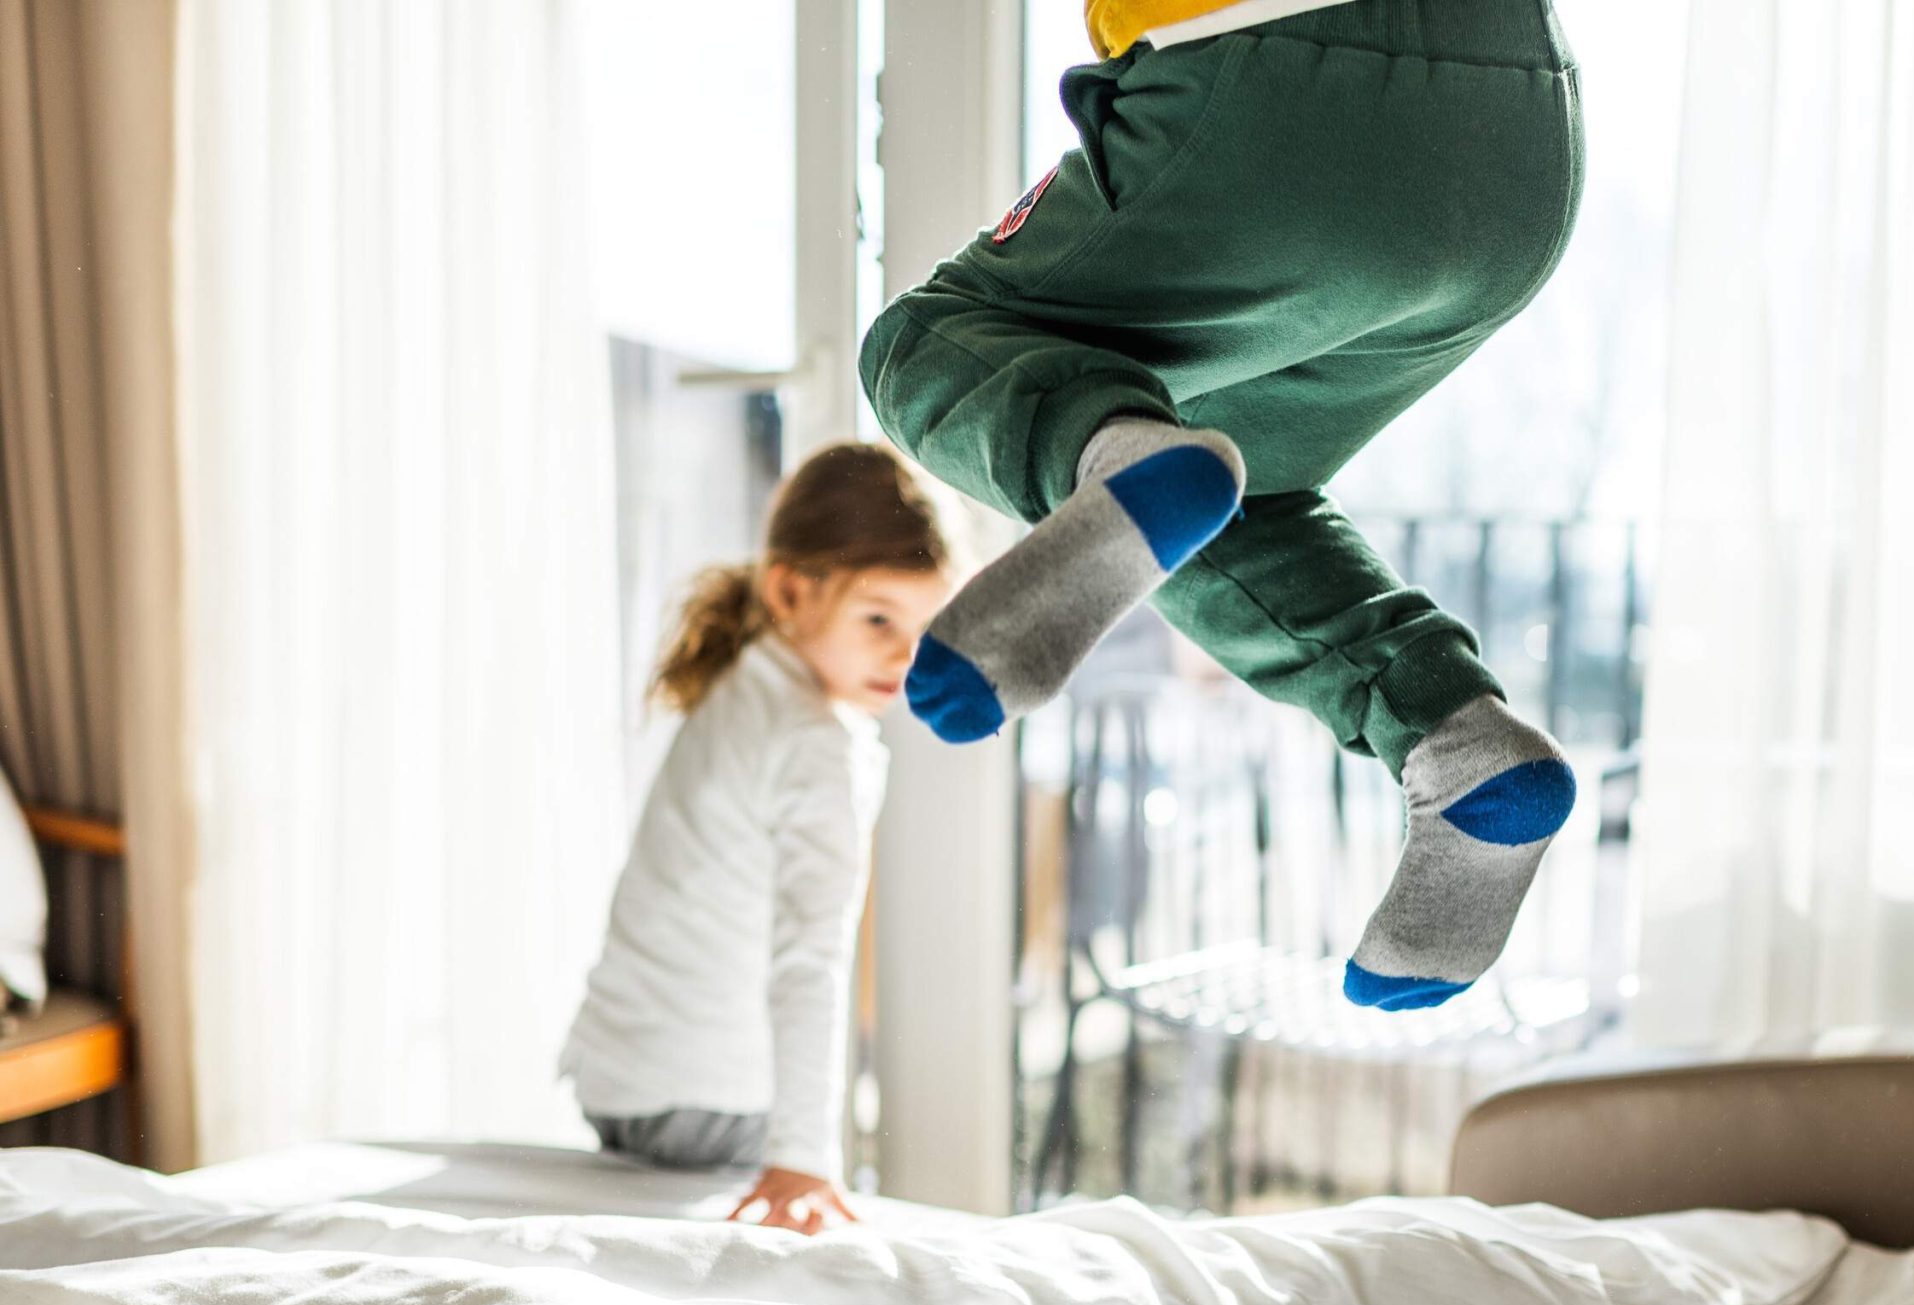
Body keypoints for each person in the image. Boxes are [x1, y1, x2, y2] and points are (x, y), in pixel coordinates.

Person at [862, 0, 1584, 1013]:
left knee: (927, 343)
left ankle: (1113, 462)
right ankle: (1459, 744)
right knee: (1238, 492)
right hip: (1523, 146)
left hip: (1275, 80)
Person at [561, 444, 954, 1233]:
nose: (905, 655)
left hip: (616, 1083)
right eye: (878, 618)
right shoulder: (816, 742)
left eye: (926, 626)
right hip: (699, 1105)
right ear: (788, 590)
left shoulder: (744, 680)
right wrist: (804, 1156)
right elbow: (811, 957)